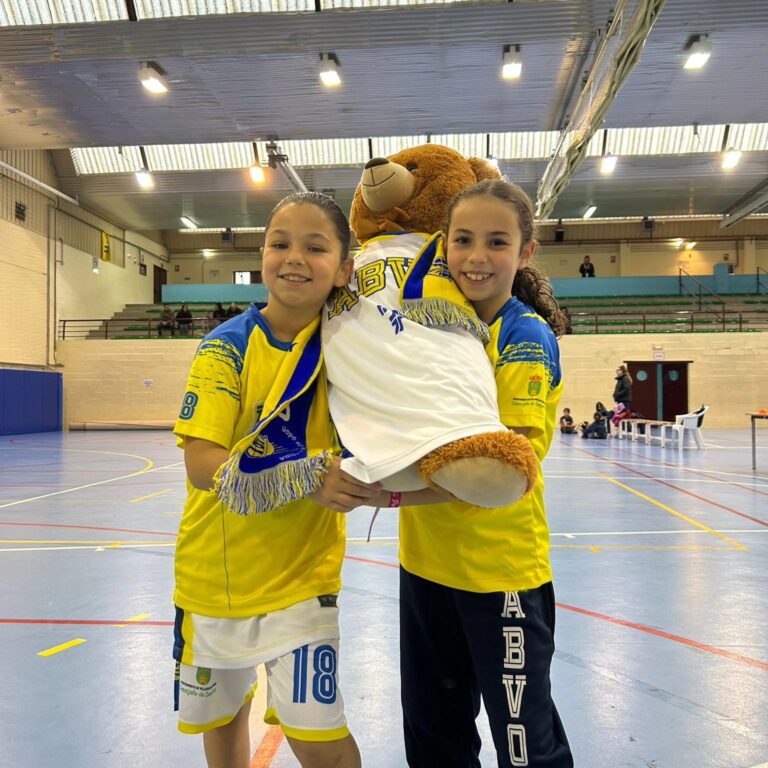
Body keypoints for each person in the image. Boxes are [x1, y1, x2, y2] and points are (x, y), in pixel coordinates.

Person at [172, 192, 376, 768]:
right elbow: (202, 465)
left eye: (316, 247)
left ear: (344, 269)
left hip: (303, 582)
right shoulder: (225, 348)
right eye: (280, 243)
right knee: (223, 726)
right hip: (215, 581)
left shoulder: (355, 353)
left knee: (319, 742)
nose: (294, 258)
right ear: (262, 254)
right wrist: (306, 478)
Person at [375, 179, 573, 767]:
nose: (476, 256)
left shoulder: (524, 335)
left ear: (525, 251)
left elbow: (504, 470)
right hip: (425, 566)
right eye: (462, 239)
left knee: (524, 745)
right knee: (433, 737)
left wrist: (386, 493)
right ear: (443, 245)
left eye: (497, 241)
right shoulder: (428, 330)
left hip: (499, 572)